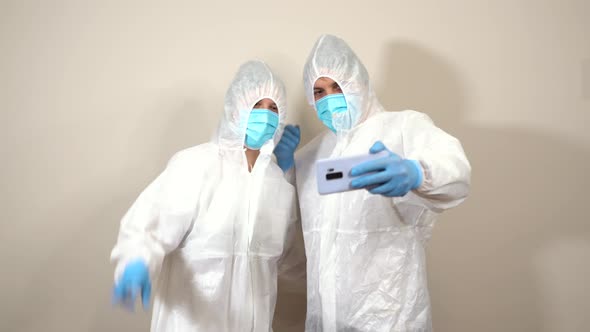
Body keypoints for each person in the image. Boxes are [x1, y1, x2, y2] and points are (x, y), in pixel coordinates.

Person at [274, 34, 472, 331]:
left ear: (358, 82)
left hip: (391, 315)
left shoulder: (403, 127)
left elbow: (455, 168)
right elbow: (291, 243)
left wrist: (416, 173)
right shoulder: (311, 155)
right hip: (326, 318)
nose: (329, 97)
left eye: (337, 86)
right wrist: (283, 172)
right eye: (319, 91)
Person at [110, 60, 301, 331]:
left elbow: (286, 262)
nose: (266, 115)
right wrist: (136, 261)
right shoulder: (197, 165)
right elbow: (147, 227)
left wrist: (284, 172)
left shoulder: (277, 184)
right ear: (236, 108)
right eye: (257, 105)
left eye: (273, 108)